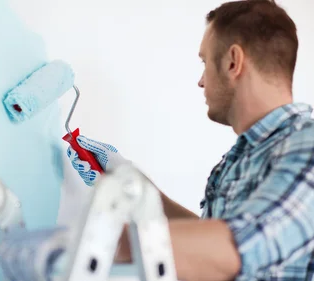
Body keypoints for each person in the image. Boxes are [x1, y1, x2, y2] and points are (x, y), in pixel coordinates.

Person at [67, 1, 314, 280]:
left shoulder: (308, 146)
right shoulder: (240, 157)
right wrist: (135, 188)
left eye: (205, 61)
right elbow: (212, 239)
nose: (200, 81)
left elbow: (237, 248)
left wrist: (86, 244)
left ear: (233, 62)